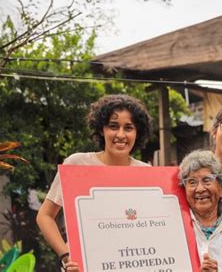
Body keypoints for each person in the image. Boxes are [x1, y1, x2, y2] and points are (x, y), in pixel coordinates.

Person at [36, 94, 152, 271]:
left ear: (137, 133)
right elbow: (44, 216)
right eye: (113, 126)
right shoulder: (77, 165)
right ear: (101, 129)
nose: (121, 134)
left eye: (128, 128)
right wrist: (67, 257)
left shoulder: (146, 173)